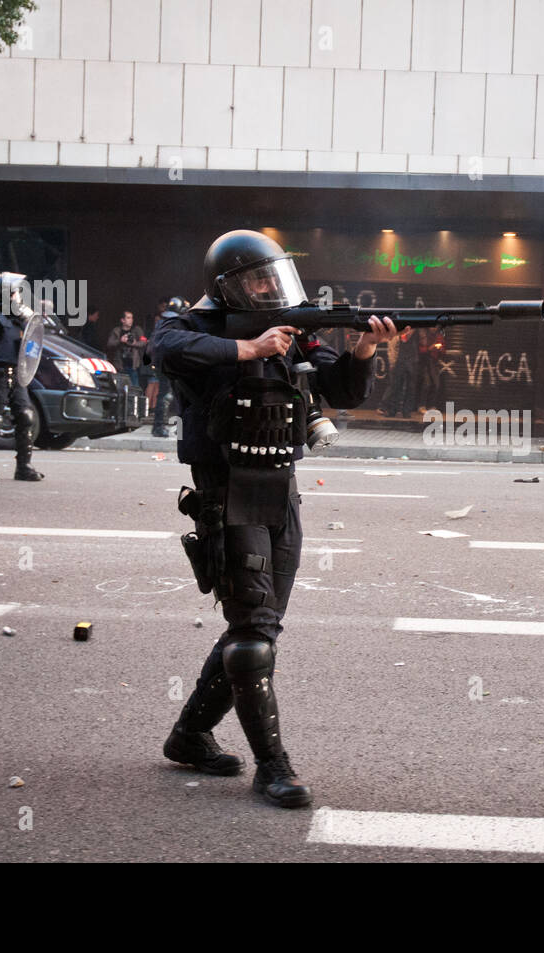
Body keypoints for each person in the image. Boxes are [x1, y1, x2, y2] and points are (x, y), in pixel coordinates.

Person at [154, 229, 398, 807]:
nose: (269, 289)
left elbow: (340, 387)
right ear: (224, 286)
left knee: (259, 626)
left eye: (275, 277)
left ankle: (189, 734)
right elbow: (164, 351)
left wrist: (365, 347)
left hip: (280, 490)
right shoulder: (188, 325)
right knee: (253, 635)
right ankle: (273, 768)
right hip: (227, 490)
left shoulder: (290, 333)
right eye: (256, 280)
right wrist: (250, 350)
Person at [0, 275, 44, 482]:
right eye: (13, 293)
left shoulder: (18, 320)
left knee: (25, 417)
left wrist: (30, 320)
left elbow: (32, 345)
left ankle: (24, 466)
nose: (17, 297)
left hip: (17, 374)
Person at [149, 297, 187, 437]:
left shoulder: (162, 323)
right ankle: (161, 427)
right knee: (169, 396)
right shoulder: (176, 324)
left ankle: (174, 428)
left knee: (169, 396)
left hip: (163, 364)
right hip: (171, 365)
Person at [107, 310, 147, 388]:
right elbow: (110, 344)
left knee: (135, 387)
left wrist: (135, 343)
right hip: (120, 365)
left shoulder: (137, 330)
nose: (131, 320)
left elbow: (144, 341)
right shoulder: (116, 331)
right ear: (122, 320)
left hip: (133, 364)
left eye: (132, 318)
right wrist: (120, 340)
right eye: (128, 318)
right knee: (119, 387)